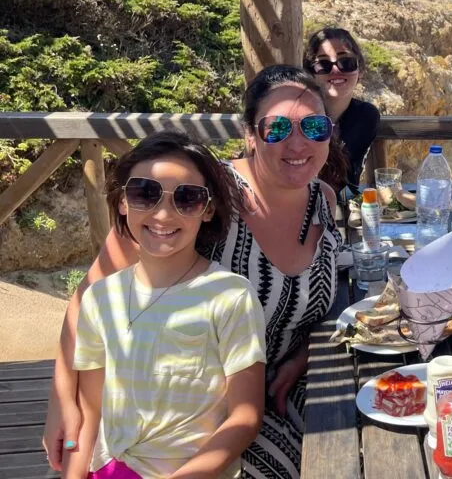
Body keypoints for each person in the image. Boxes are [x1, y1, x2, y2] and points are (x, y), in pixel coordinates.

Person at [44, 65, 346, 479]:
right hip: (191, 405)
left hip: (277, 389)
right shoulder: (194, 194)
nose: (298, 142)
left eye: (314, 126)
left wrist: (307, 353)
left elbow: (329, 303)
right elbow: (92, 297)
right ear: (250, 135)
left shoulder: (324, 202)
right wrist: (62, 402)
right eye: (276, 129)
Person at [63, 132, 267, 478]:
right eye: (145, 193)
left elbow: (244, 416)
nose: (163, 214)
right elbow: (90, 413)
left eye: (186, 199)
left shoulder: (229, 295)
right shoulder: (101, 298)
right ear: (123, 201)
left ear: (208, 210)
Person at [303, 27, 381, 194]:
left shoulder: (365, 117)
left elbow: (346, 178)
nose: (336, 70)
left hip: (345, 211)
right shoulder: (299, 117)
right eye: (323, 64)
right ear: (311, 74)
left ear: (360, 72)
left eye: (346, 62)